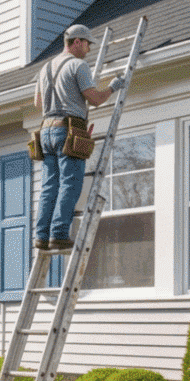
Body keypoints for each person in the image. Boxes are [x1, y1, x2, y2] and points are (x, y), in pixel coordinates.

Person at [33, 24, 125, 250]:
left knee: (49, 185)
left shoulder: (45, 68)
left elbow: (38, 103)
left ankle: (41, 237)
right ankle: (59, 234)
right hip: (67, 128)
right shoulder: (78, 65)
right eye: (86, 44)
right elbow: (94, 99)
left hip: (46, 130)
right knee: (70, 183)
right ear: (76, 42)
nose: (89, 49)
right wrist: (113, 87)